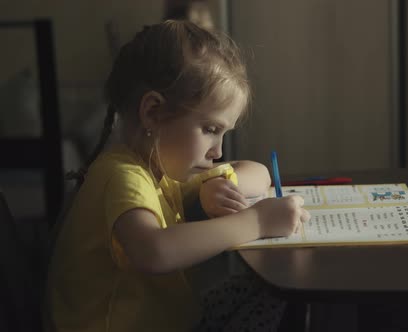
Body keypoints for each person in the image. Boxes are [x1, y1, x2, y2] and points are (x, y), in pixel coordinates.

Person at [46, 20, 310, 332]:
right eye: (210, 130)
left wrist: (216, 184)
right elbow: (153, 251)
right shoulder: (120, 175)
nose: (217, 152)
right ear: (153, 113)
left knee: (272, 296)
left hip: (173, 319)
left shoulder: (163, 165)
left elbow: (259, 173)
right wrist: (256, 222)